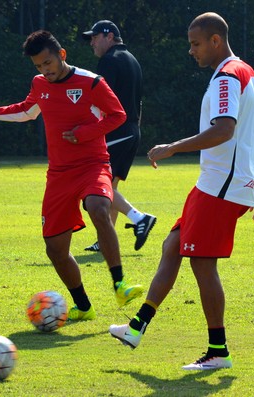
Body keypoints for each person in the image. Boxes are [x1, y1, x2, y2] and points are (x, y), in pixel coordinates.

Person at [109, 12, 254, 370]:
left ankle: (218, 351)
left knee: (202, 263)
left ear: (216, 40)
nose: (191, 51)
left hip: (220, 187)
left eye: (196, 44)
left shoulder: (228, 77)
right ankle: (136, 328)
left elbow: (224, 130)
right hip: (218, 185)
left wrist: (172, 147)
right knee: (172, 245)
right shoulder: (250, 76)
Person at [0, 30, 144, 321]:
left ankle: (120, 284)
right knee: (55, 250)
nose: (45, 70)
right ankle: (83, 306)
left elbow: (118, 115)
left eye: (48, 63)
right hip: (59, 175)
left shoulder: (92, 82)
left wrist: (85, 133)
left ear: (62, 55)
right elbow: (26, 111)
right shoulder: (40, 84)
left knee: (98, 206)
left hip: (93, 164)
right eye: (38, 66)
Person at [82, 20, 156, 252]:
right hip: (132, 131)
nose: (92, 42)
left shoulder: (109, 61)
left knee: (95, 185)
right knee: (110, 185)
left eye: (94, 37)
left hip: (116, 131)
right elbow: (138, 102)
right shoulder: (132, 59)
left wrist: (88, 130)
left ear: (109, 36)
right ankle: (106, 241)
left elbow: (102, 100)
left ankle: (139, 218)